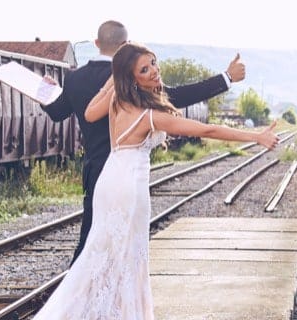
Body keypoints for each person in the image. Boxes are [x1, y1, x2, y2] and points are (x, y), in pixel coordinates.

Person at [32, 42, 278, 319]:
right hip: (128, 188)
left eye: (153, 63)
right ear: (132, 77)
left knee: (102, 255)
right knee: (129, 258)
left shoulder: (115, 103)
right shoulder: (148, 116)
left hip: (110, 181)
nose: (154, 72)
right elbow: (207, 128)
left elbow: (89, 113)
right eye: (144, 69)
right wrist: (255, 137)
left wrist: (115, 79)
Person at [41, 20, 246, 264]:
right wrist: (226, 78)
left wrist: (45, 93)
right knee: (123, 247)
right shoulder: (131, 77)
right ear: (126, 45)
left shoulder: (74, 79)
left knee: (91, 239)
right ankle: (90, 297)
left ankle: (85, 293)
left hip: (97, 172)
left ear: (96, 44)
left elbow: (57, 112)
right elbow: (178, 96)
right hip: (126, 178)